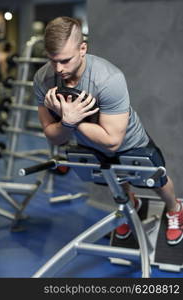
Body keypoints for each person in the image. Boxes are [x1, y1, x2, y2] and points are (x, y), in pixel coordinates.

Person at [33, 16, 183, 246]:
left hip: (130, 141)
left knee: (157, 180)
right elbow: (52, 136)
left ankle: (175, 209)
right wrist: (67, 123)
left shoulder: (108, 79)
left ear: (83, 48)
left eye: (65, 60)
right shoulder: (43, 79)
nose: (58, 69)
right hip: (88, 143)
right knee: (113, 180)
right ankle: (130, 206)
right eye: (52, 61)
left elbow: (113, 141)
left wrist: (70, 120)